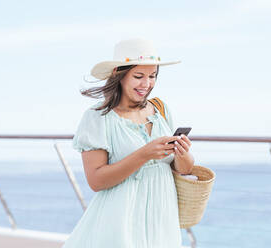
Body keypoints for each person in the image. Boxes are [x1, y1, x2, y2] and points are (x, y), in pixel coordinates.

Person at [62, 38, 195, 248]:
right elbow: (96, 181)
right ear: (119, 75)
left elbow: (183, 170)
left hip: (162, 219)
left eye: (152, 76)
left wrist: (183, 154)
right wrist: (144, 154)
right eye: (138, 76)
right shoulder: (97, 117)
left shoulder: (161, 110)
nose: (147, 84)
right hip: (119, 222)